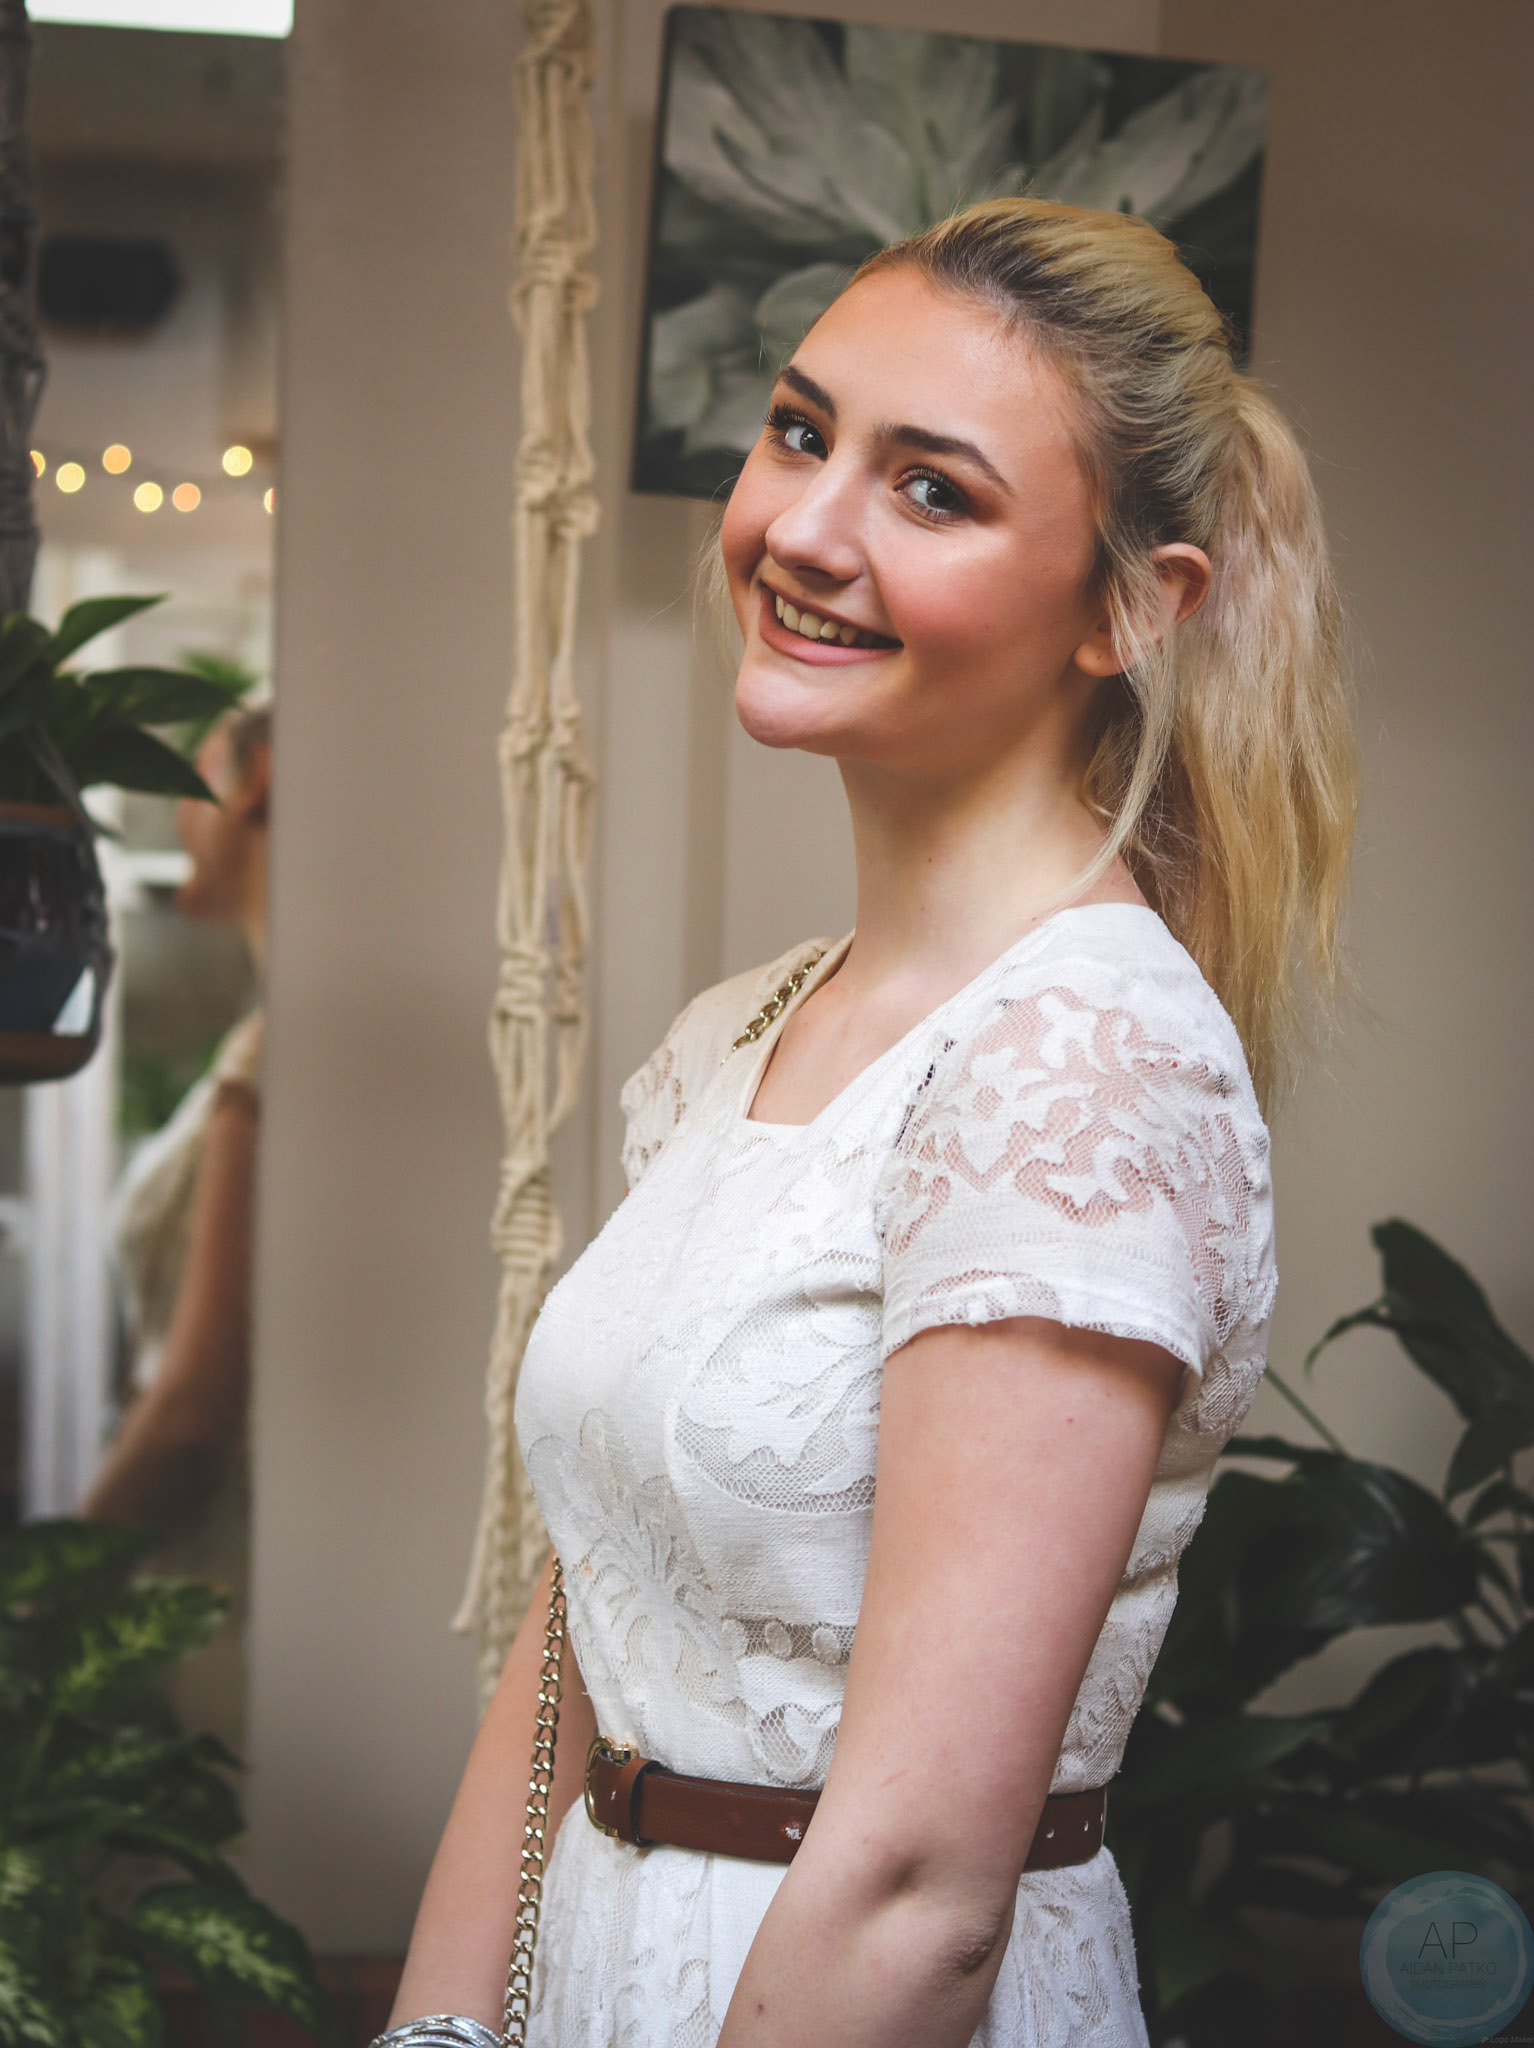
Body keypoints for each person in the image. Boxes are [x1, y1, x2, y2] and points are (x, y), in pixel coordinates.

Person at [386, 197, 1356, 2048]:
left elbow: (918, 1890)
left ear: (1129, 610)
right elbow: (587, 1621)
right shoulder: (736, 1031)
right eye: (798, 431)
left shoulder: (1081, 1064)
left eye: (930, 490)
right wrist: (435, 2034)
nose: (803, 529)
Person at [84, 702, 272, 1754]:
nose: (181, 823)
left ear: (257, 784)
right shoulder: (261, 1039)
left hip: (212, 1605)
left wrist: (41, 1591)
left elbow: (193, 1411)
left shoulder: (268, 1060)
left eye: (196, 786)